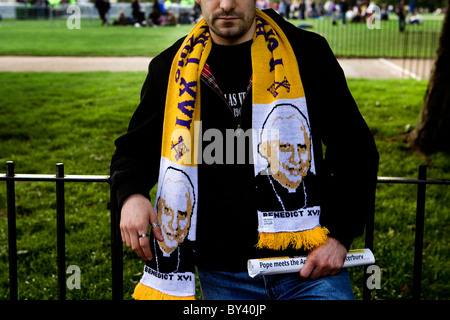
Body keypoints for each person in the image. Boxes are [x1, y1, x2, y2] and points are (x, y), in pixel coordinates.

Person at [110, 0, 379, 300]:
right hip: (225, 274)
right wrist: (131, 195)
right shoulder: (169, 68)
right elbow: (133, 150)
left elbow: (356, 150)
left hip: (310, 267)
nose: (226, 5)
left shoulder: (307, 53)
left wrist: (340, 236)